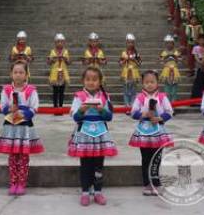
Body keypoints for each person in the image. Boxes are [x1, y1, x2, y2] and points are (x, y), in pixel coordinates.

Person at [68, 67, 118, 206]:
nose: (91, 82)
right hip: (84, 135)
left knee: (98, 165)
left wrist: (102, 110)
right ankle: (85, 192)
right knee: (85, 165)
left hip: (101, 135)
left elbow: (109, 117)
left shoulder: (104, 96)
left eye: (95, 79)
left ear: (100, 81)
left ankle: (97, 191)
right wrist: (81, 110)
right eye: (88, 79)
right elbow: (76, 118)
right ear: (83, 81)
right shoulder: (79, 96)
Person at [0, 61, 45, 195]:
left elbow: (35, 107)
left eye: (21, 72)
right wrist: (8, 109)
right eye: (15, 72)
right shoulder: (6, 90)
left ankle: (22, 183)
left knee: (23, 156)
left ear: (26, 75)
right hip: (10, 126)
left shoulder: (31, 90)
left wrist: (25, 113)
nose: (18, 75)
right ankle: (13, 182)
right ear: (11, 74)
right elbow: (2, 106)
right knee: (12, 156)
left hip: (25, 126)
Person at [129, 70, 174, 195]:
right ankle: (147, 184)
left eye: (152, 82)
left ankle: (156, 182)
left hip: (158, 130)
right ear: (142, 83)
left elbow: (169, 112)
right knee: (145, 158)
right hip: (144, 130)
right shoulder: (140, 97)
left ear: (157, 83)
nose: (149, 84)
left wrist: (160, 118)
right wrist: (144, 114)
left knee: (157, 158)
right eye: (146, 82)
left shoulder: (162, 97)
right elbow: (133, 113)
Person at [48, 33, 70, 109]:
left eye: (61, 41)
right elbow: (49, 62)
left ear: (64, 42)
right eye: (58, 41)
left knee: (61, 91)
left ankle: (61, 106)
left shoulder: (66, 51)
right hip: (55, 72)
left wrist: (65, 58)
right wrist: (53, 59)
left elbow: (68, 62)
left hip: (63, 72)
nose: (59, 43)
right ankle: (55, 106)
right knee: (55, 91)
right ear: (55, 42)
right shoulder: (52, 51)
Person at [119, 34, 141, 110]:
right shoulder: (123, 53)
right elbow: (120, 63)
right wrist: (126, 59)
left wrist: (134, 60)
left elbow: (140, 63)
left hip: (134, 72)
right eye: (129, 42)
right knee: (126, 90)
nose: (130, 44)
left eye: (132, 42)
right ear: (126, 43)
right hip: (126, 72)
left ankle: (132, 106)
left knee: (133, 90)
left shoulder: (136, 53)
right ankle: (126, 106)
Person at [159, 34, 182, 105]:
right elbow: (161, 61)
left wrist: (175, 57)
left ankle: (173, 105)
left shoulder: (176, 52)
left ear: (173, 44)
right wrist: (166, 58)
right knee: (167, 90)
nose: (169, 45)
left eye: (171, 43)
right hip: (166, 71)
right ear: (165, 44)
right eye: (167, 43)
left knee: (174, 90)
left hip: (174, 70)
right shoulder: (164, 53)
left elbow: (180, 60)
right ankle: (167, 105)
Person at [191, 35, 204, 99]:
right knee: (198, 81)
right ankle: (196, 98)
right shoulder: (196, 48)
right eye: (201, 40)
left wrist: (203, 63)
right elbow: (195, 56)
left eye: (203, 40)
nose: (202, 41)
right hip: (198, 65)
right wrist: (200, 62)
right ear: (198, 40)